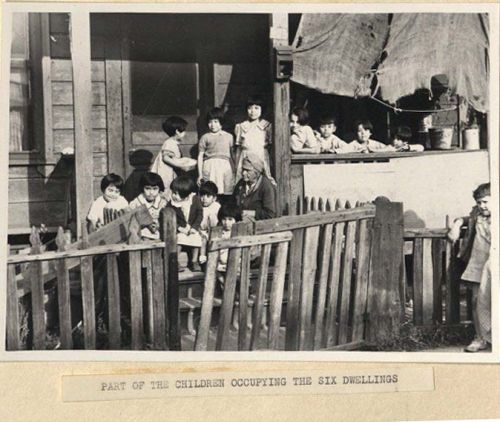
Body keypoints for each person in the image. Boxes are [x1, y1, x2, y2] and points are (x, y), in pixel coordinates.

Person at [447, 182, 491, 352]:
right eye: (479, 202)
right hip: (478, 263)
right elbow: (465, 218)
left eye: (486, 202)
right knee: (475, 301)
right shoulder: (477, 214)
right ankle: (480, 337)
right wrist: (457, 225)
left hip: (494, 263)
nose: (482, 206)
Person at [167, 175, 204, 271]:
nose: (173, 196)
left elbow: (199, 214)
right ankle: (176, 261)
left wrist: (194, 227)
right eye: (173, 193)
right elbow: (169, 219)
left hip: (191, 228)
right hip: (180, 229)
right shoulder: (172, 204)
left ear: (186, 195)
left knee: (196, 238)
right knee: (179, 239)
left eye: (176, 193)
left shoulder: (194, 199)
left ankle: (194, 261)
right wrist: (179, 228)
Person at [234, 96, 273, 182]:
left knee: (263, 179)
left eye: (256, 108)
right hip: (245, 156)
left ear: (262, 109)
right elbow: (238, 148)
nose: (253, 111)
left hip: (261, 155)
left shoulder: (266, 126)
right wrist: (236, 164)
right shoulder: (242, 126)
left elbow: (270, 146)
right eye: (250, 108)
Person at [197, 107, 235, 195]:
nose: (212, 125)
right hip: (209, 166)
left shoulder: (229, 137)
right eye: (210, 122)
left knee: (226, 190)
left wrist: (234, 171)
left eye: (216, 122)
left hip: (225, 165)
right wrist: (200, 174)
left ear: (221, 122)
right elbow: (200, 156)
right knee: (209, 191)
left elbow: (233, 155)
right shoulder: (205, 137)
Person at [150, 116, 188, 199]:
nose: (185, 133)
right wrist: (180, 166)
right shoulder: (170, 143)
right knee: (166, 192)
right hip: (166, 173)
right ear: (177, 131)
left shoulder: (173, 143)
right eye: (184, 130)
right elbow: (166, 158)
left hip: (170, 173)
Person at [232, 152, 276, 222]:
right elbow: (232, 204)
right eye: (243, 169)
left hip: (260, 226)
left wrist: (251, 213)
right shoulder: (241, 183)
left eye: (247, 170)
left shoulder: (266, 186)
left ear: (257, 172)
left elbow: (270, 214)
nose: (243, 173)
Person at [129, 172, 167, 240]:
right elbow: (132, 222)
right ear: (142, 188)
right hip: (143, 232)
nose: (151, 192)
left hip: (160, 231)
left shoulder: (163, 203)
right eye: (147, 188)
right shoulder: (136, 203)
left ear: (159, 189)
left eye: (155, 189)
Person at [215, 202, 243, 292]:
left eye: (230, 219)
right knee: (217, 272)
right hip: (221, 263)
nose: (226, 222)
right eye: (224, 219)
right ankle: (225, 286)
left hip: (235, 263)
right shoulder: (219, 232)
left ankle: (236, 289)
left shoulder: (239, 232)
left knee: (237, 274)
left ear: (236, 220)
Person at [198, 181, 221, 265]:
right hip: (201, 231)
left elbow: (217, 222)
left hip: (214, 230)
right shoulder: (198, 206)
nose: (204, 199)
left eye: (208, 196)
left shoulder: (216, 207)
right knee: (203, 239)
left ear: (214, 198)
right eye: (202, 195)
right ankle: (202, 258)